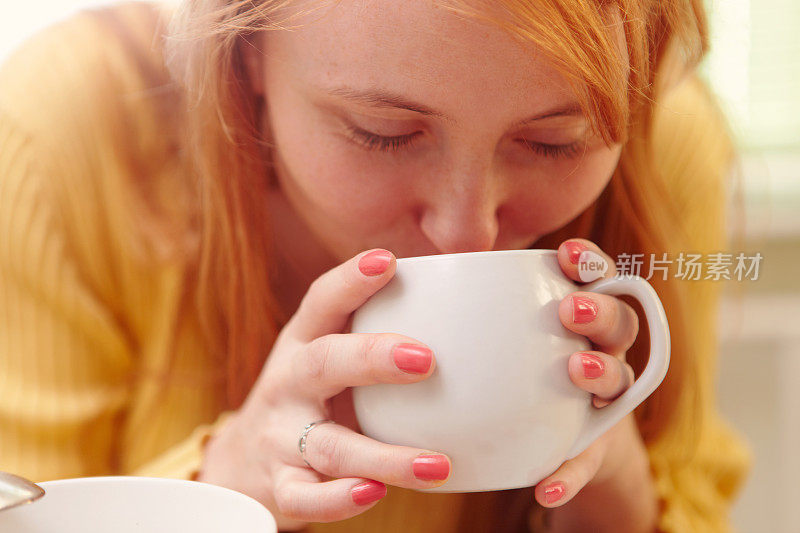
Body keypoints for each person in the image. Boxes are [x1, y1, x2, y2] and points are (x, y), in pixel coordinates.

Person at [0, 0, 751, 531]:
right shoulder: (63, 137)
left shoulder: (664, 145)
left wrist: (613, 494)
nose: (466, 230)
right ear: (248, 54)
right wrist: (221, 487)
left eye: (556, 142)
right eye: (382, 132)